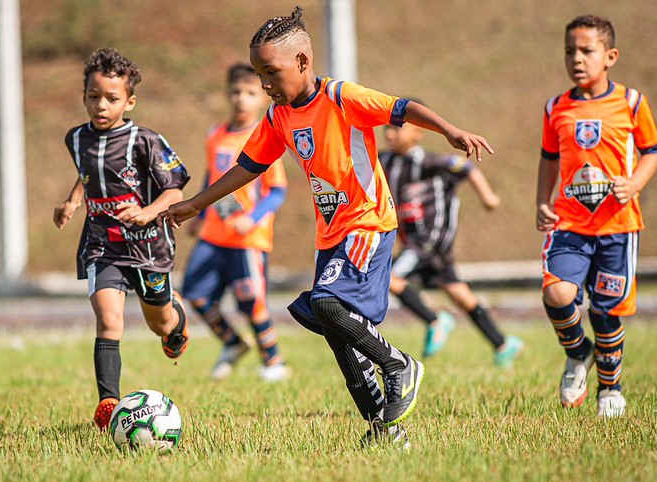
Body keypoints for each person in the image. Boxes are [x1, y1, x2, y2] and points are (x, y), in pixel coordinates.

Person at [161, 6, 493, 446]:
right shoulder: (279, 117)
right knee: (337, 331)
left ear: (302, 62)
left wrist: (450, 130)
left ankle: (398, 365)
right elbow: (248, 166)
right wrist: (196, 205)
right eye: (260, 74)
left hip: (367, 223)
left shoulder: (341, 97)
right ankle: (385, 429)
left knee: (328, 306)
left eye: (271, 73)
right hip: (331, 235)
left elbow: (401, 108)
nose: (264, 84)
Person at [53, 48, 191, 430]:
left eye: (111, 99)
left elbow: (175, 190)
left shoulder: (145, 140)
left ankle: (177, 321)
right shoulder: (76, 138)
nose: (101, 105)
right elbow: (89, 173)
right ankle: (108, 404)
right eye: (93, 96)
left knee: (159, 325)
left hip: (148, 245)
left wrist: (148, 212)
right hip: (102, 244)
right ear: (83, 96)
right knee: (108, 320)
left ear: (129, 101)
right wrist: (72, 201)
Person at [536, 15, 657, 417]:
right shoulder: (557, 107)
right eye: (570, 50)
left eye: (587, 50)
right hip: (570, 221)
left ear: (610, 56)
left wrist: (635, 183)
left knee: (606, 313)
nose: (577, 58)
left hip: (618, 226)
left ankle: (611, 389)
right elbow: (549, 158)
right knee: (557, 292)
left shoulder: (632, 102)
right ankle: (577, 352)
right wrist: (543, 200)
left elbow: (652, 151)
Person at [380, 119, 524, 366]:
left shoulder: (430, 162)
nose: (390, 133)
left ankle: (435, 319)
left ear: (418, 132)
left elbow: (467, 169)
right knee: (461, 295)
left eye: (397, 128)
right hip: (416, 242)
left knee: (387, 277)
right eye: (387, 129)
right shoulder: (385, 161)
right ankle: (502, 343)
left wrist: (488, 197)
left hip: (430, 240)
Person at [183, 63, 290, 382]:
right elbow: (211, 178)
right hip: (214, 235)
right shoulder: (215, 135)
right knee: (194, 292)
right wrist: (199, 213)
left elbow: (277, 191)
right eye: (236, 92)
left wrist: (252, 219)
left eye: (250, 93)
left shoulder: (265, 136)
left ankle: (273, 361)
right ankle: (232, 343)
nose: (242, 99)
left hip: (247, 240)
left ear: (262, 97)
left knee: (251, 302)